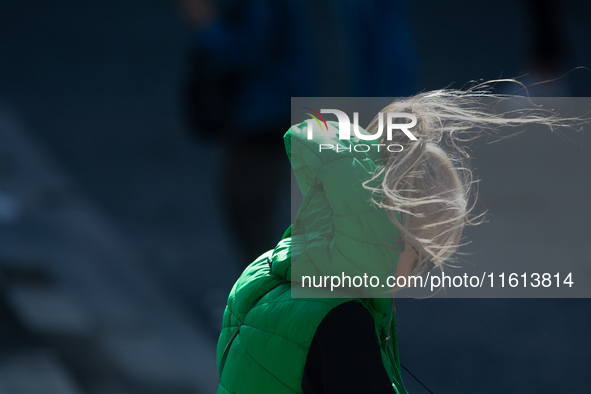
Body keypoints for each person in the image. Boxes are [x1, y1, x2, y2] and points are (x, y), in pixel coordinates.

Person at [216, 85, 569, 393]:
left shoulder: (272, 270)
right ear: (394, 234)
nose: (419, 277)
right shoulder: (342, 319)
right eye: (425, 258)